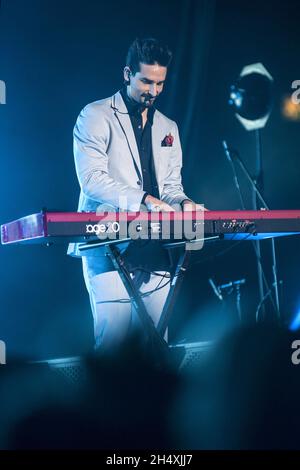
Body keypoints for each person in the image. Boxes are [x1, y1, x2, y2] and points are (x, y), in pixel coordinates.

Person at [68, 37, 201, 350]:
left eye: (160, 84)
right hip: (108, 243)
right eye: (146, 81)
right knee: (113, 345)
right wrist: (143, 199)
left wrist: (184, 203)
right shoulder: (95, 115)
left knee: (158, 345)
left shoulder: (168, 126)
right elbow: (92, 179)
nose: (153, 91)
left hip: (156, 247)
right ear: (127, 74)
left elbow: (171, 187)